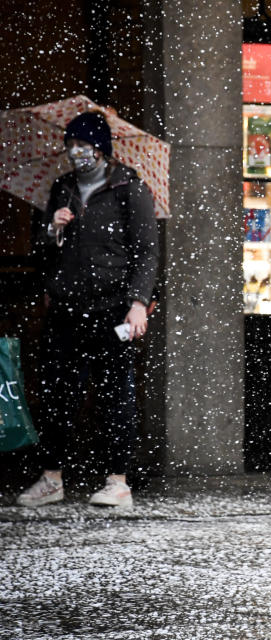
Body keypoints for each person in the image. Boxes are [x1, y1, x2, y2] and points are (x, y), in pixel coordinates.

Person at [16, 110, 159, 508]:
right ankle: (52, 478)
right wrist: (52, 229)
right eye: (71, 145)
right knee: (58, 395)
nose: (76, 153)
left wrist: (137, 304)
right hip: (66, 309)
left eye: (83, 145)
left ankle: (118, 481)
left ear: (101, 149)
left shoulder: (129, 187)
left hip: (113, 309)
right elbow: (40, 250)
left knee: (116, 395)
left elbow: (147, 251)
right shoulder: (61, 189)